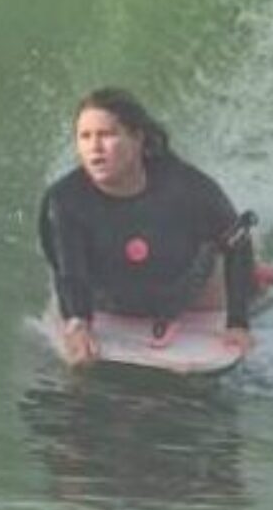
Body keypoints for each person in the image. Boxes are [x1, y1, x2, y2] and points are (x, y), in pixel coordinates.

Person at [38, 88, 257, 366]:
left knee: (231, 272)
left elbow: (238, 242)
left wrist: (238, 322)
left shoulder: (185, 187)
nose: (95, 147)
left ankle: (261, 276)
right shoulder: (64, 201)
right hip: (110, 298)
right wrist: (77, 322)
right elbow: (68, 271)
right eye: (85, 136)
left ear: (137, 138)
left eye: (107, 135)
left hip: (188, 286)